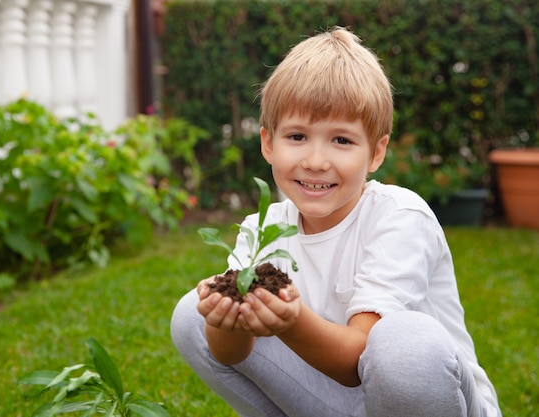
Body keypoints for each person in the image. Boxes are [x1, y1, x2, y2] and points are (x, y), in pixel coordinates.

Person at [170, 27, 501, 417]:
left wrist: (291, 322)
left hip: (421, 398)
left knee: (401, 342)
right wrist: (226, 320)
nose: (315, 160)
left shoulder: (398, 216)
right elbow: (229, 354)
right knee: (193, 314)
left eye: (341, 141)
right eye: (297, 136)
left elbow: (356, 365)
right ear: (268, 144)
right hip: (335, 402)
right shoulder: (263, 229)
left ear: (376, 153)